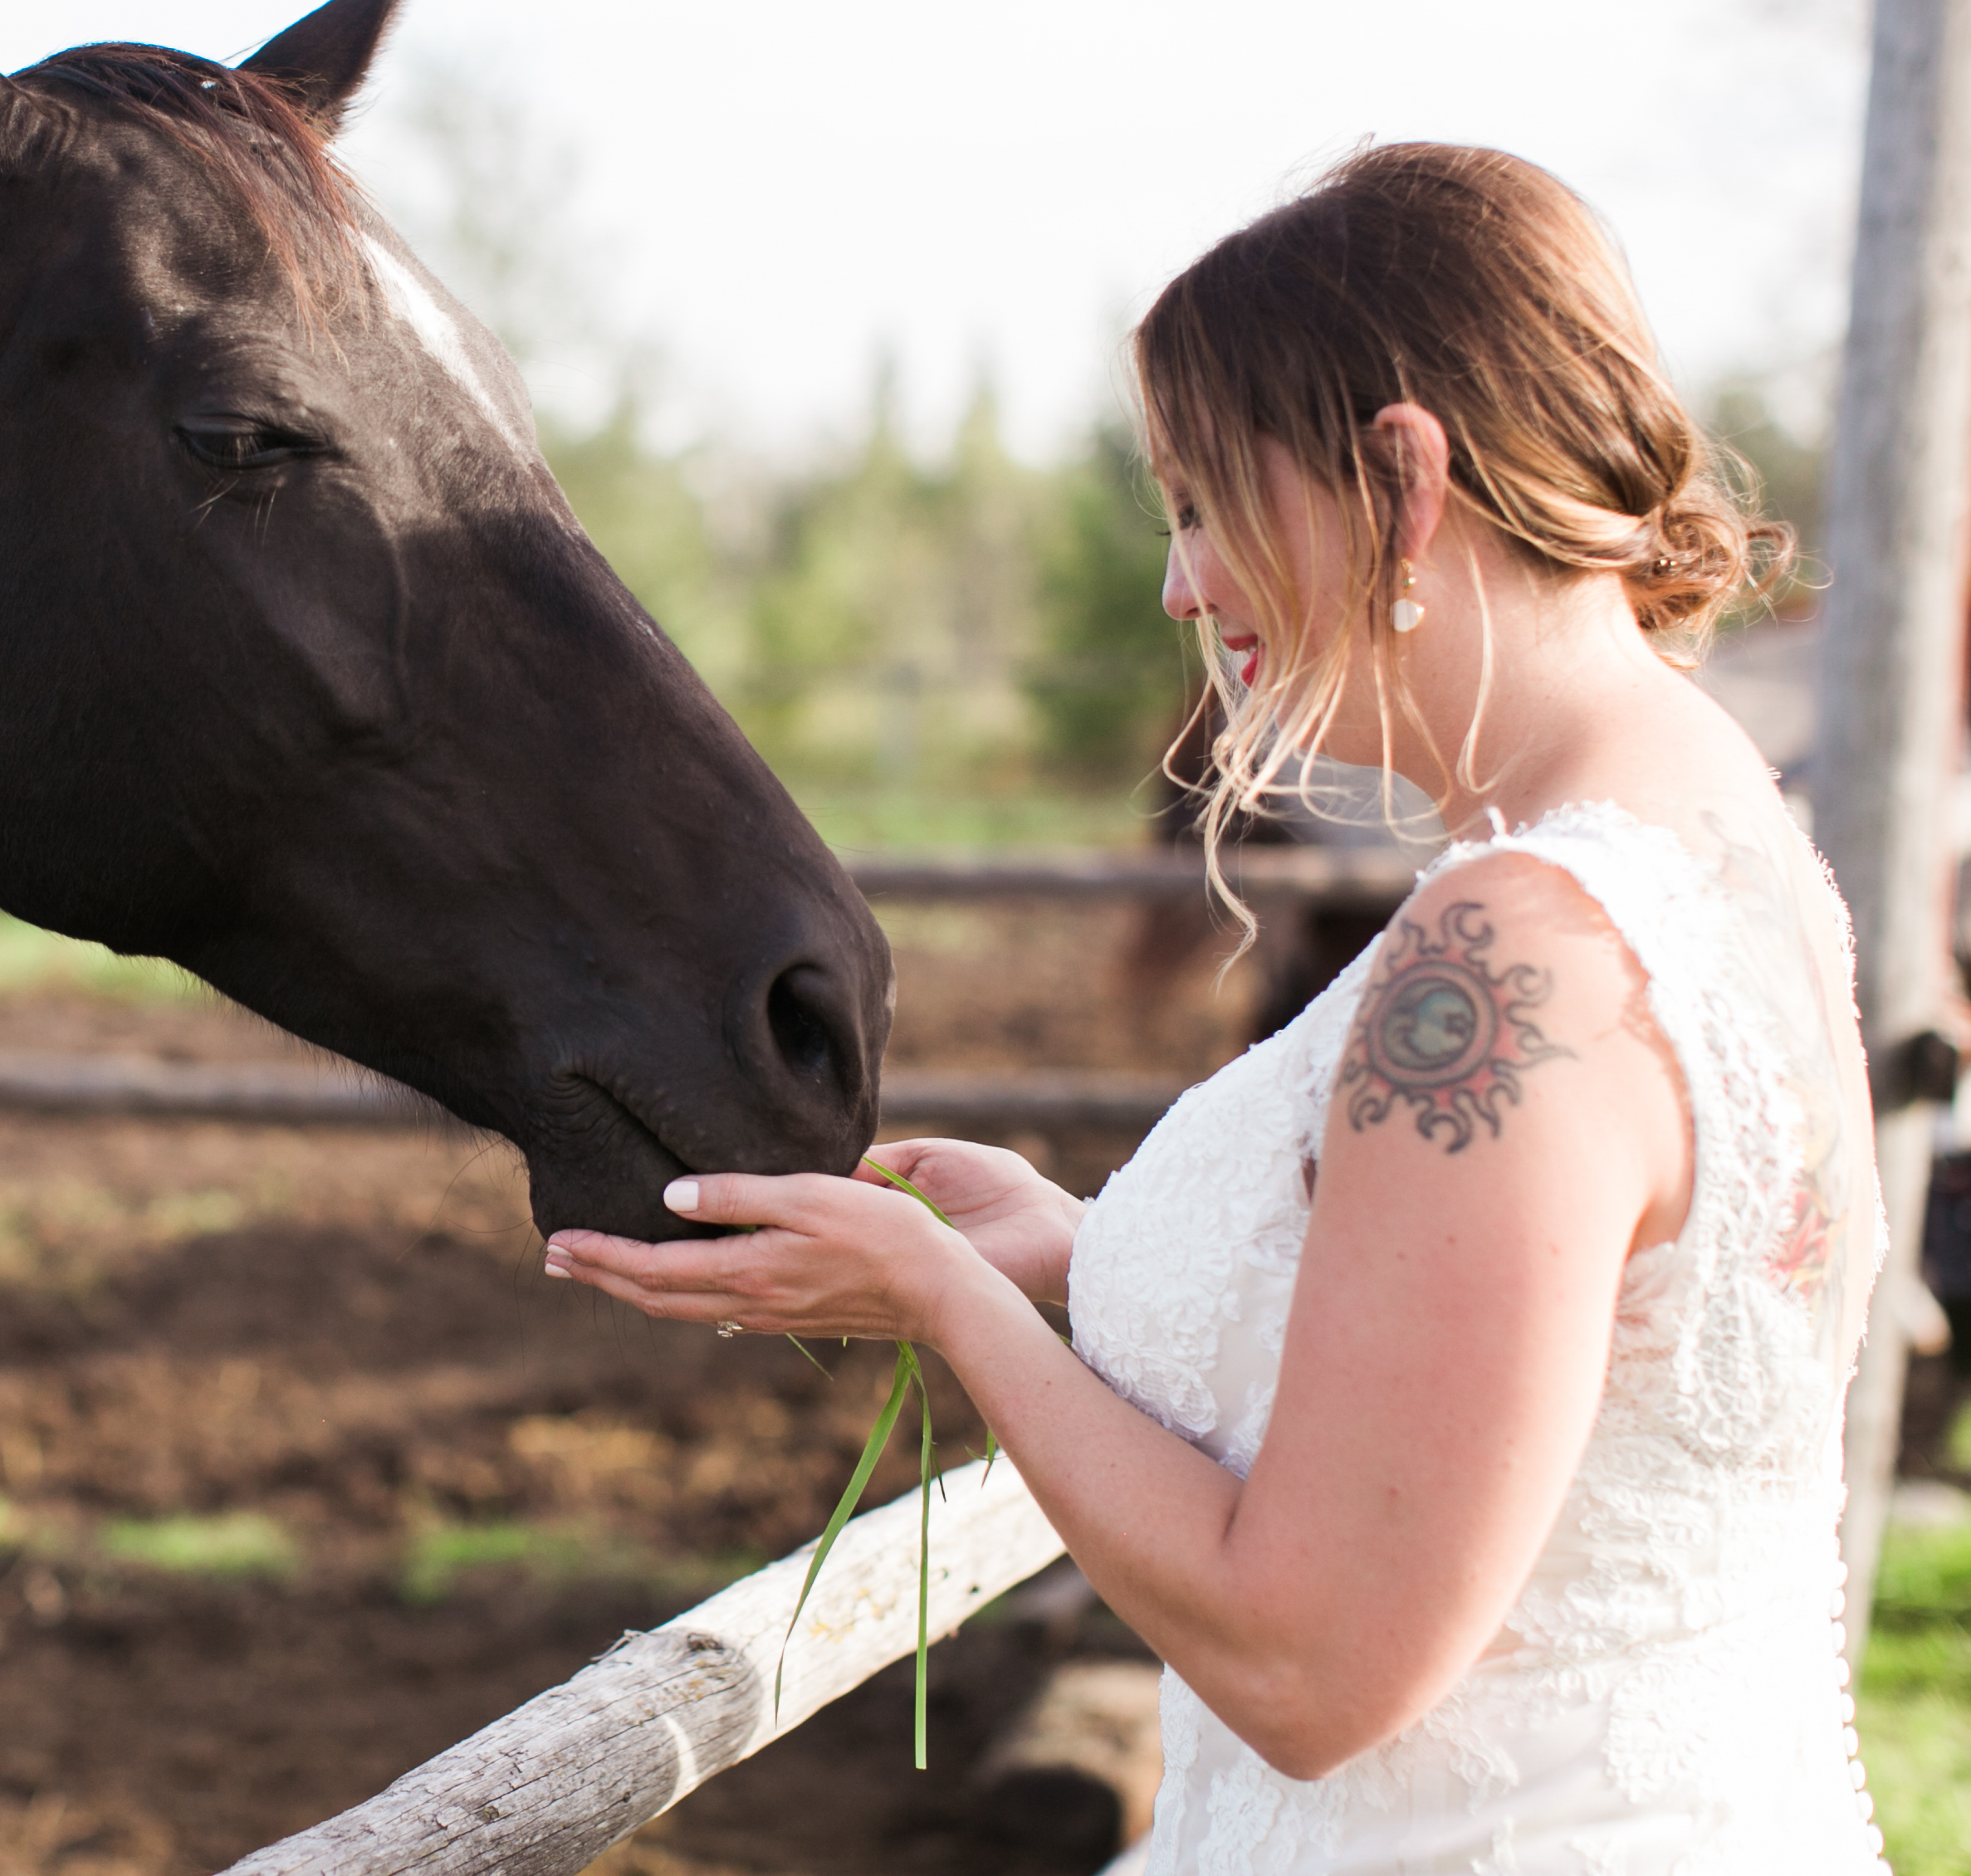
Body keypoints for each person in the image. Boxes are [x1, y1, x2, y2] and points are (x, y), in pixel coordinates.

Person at [545, 143, 1890, 1871]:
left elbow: (1313, 1661)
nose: (1182, 584)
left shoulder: (1509, 959)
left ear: (1403, 478)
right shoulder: (1734, 850)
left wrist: (954, 1307)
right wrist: (1081, 1249)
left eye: (1201, 502)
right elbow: (1524, 1361)